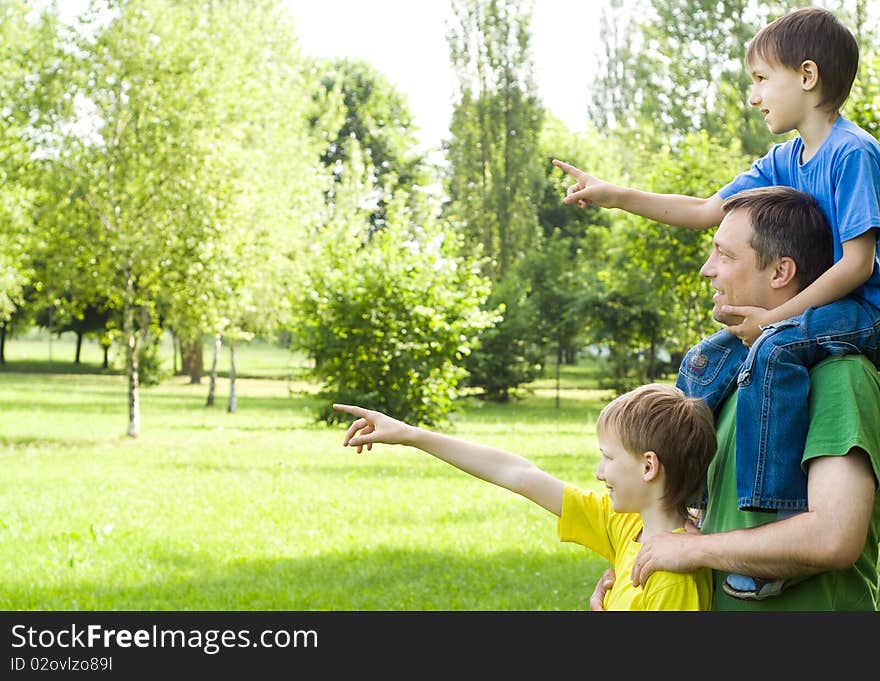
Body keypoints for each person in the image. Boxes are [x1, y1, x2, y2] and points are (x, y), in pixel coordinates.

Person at [554, 6, 880, 599]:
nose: (753, 95)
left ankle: (768, 518)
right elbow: (708, 210)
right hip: (798, 312)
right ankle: (691, 502)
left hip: (857, 311)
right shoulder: (782, 161)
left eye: (761, 79)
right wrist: (616, 195)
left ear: (807, 76)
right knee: (706, 358)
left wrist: (777, 319)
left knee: (775, 349)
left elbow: (857, 263)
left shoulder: (852, 153)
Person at [592, 187, 880, 611]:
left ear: (781, 271)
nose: (708, 270)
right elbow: (711, 520)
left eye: (724, 256)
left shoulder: (841, 376)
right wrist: (636, 581)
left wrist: (696, 551)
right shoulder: (731, 376)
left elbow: (835, 537)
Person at [332, 382, 717, 610]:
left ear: (648, 467)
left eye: (608, 458)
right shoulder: (628, 525)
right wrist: (410, 434)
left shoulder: (672, 577)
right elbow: (519, 474)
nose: (599, 473)